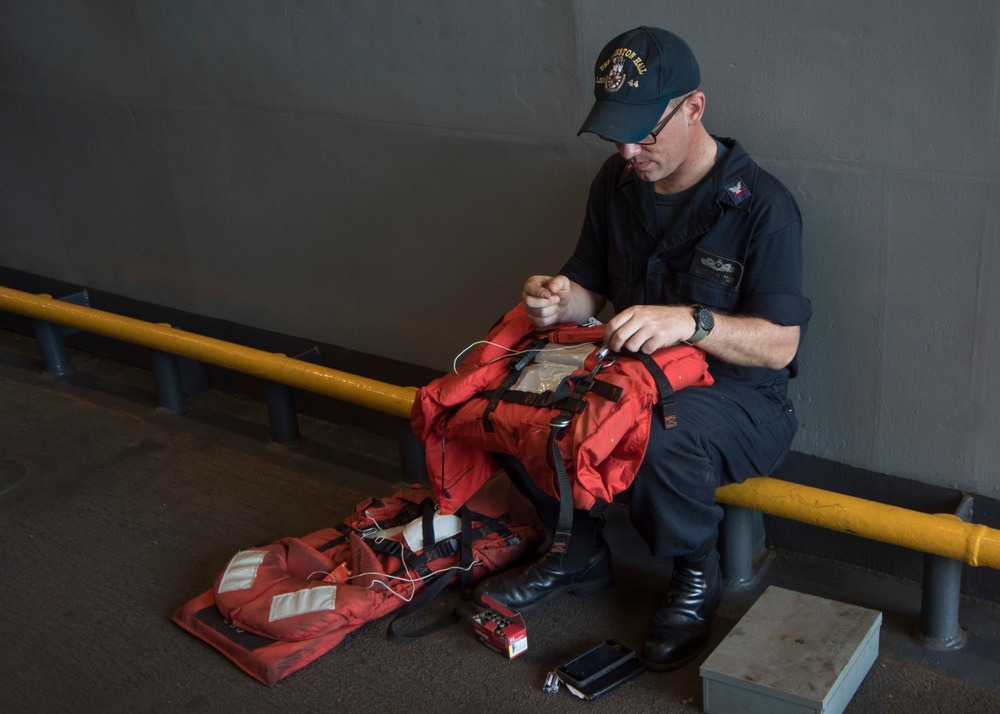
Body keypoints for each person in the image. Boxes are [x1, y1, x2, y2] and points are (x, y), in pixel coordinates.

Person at [473, 26, 811, 671]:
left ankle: (693, 573)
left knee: (656, 432)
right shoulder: (617, 181)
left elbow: (778, 346)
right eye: (616, 133)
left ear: (694, 108)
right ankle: (577, 551)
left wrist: (692, 322)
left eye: (645, 133)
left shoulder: (764, 206)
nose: (629, 150)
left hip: (738, 397)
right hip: (633, 374)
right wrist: (554, 298)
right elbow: (587, 294)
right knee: (512, 395)